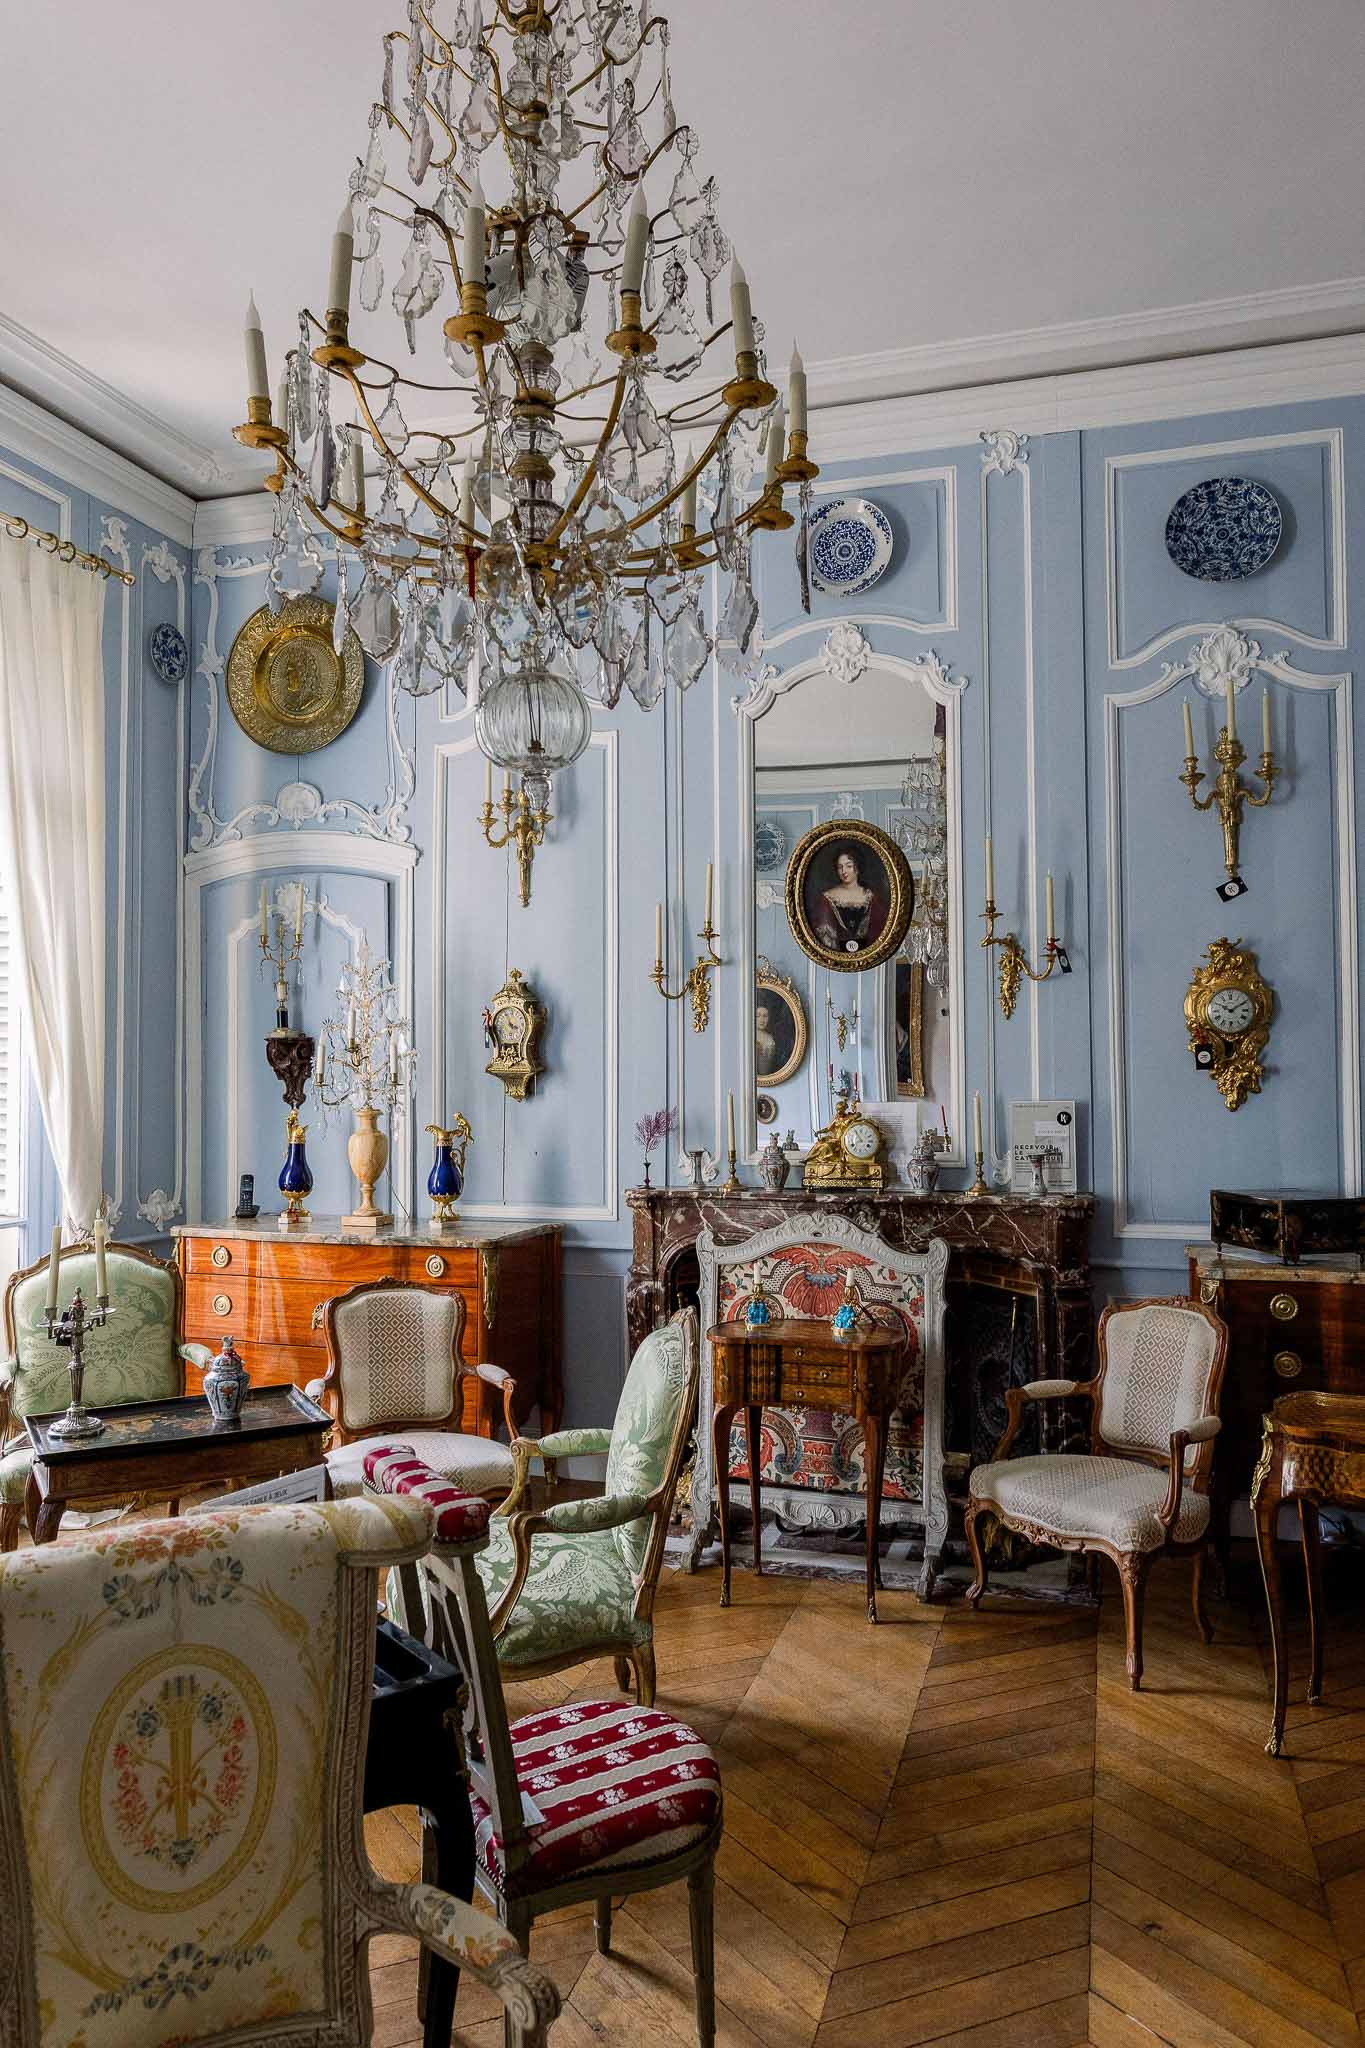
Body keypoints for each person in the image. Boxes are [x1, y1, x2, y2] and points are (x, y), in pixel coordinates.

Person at [812, 847, 888, 955]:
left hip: (868, 956)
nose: (844, 871)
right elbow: (823, 934)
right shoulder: (827, 897)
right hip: (836, 955)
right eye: (840, 867)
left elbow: (881, 928)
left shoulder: (870, 896)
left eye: (849, 866)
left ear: (857, 868)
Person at [755, 1002, 779, 1075]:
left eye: (765, 1016)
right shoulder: (749, 1036)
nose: (762, 1020)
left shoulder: (771, 1038)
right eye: (758, 1016)